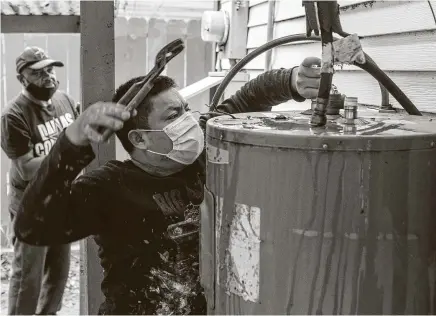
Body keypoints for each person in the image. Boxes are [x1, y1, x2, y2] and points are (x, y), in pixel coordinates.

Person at [13, 56, 321, 315]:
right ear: (140, 138)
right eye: (174, 115)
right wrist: (70, 145)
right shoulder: (109, 187)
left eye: (186, 109)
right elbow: (31, 227)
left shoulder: (203, 152)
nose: (190, 121)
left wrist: (292, 81)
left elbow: (248, 98)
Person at [1, 46, 79, 315]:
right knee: (28, 278)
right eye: (38, 72)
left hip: (61, 200)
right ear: (22, 79)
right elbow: (27, 169)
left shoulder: (65, 101)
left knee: (58, 271)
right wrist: (68, 153)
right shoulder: (13, 115)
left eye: (50, 68)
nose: (48, 76)